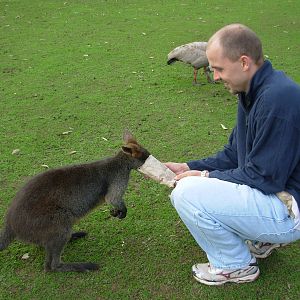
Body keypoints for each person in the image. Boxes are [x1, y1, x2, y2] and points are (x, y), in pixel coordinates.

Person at [166, 23, 300, 286]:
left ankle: (234, 266)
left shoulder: (276, 100)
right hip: (279, 194)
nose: (215, 77)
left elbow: (264, 177)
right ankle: (263, 239)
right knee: (191, 182)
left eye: (219, 69)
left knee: (186, 194)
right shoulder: (254, 90)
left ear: (244, 62)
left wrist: (204, 176)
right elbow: (234, 153)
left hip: (290, 210)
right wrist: (188, 166)